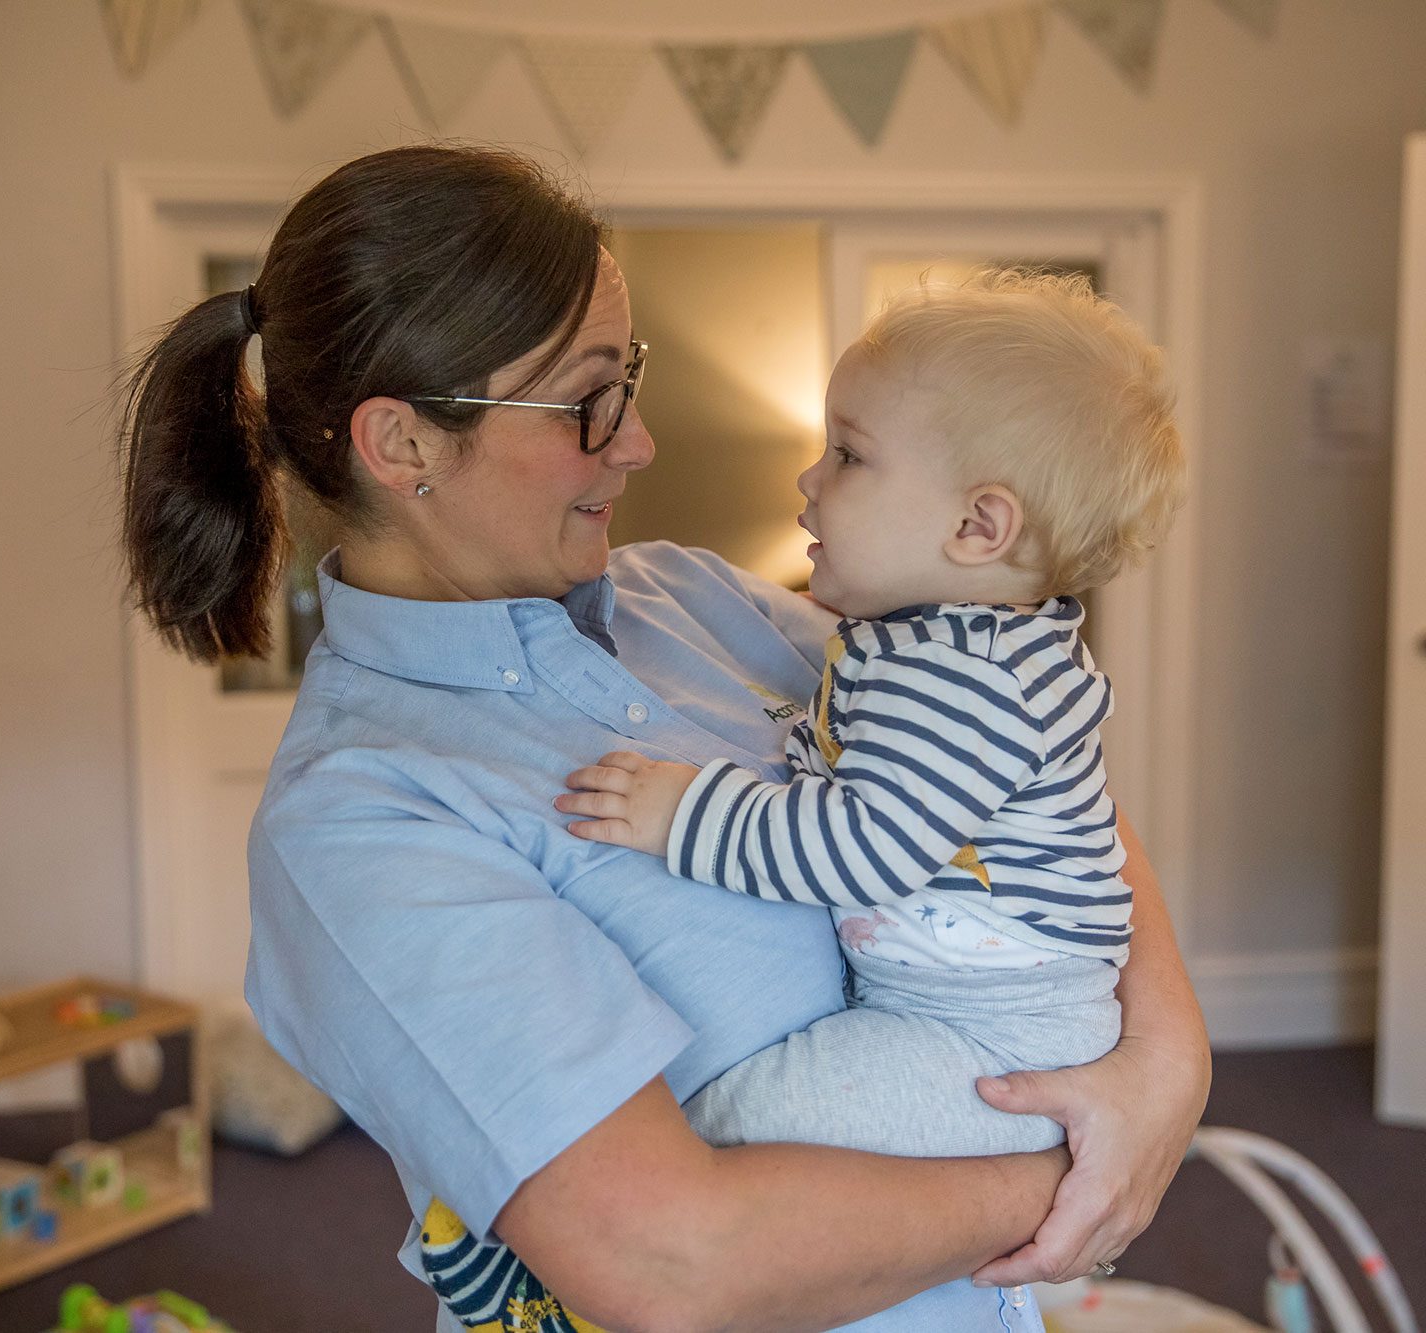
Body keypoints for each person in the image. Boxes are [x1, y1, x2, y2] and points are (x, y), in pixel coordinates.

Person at [117, 144, 1210, 1333]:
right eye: (589, 398)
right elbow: (676, 1268)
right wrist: (1083, 1173)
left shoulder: (693, 598)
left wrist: (1166, 1060)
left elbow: (1015, 783)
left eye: (624, 378)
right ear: (404, 446)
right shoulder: (362, 816)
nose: (637, 442)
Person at [556, 268, 1185, 1164]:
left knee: (728, 1116)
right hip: (956, 1009)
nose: (809, 478)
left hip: (991, 1041)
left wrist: (682, 811)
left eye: (850, 455)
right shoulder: (929, 644)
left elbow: (863, 848)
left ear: (978, 527)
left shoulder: (969, 680)